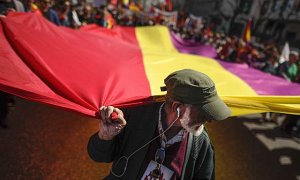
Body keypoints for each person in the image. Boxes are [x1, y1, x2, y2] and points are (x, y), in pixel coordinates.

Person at [87, 69, 231, 180]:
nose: (209, 119)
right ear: (177, 107)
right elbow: (98, 156)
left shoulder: (201, 144)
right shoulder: (133, 115)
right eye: (203, 112)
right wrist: (105, 136)